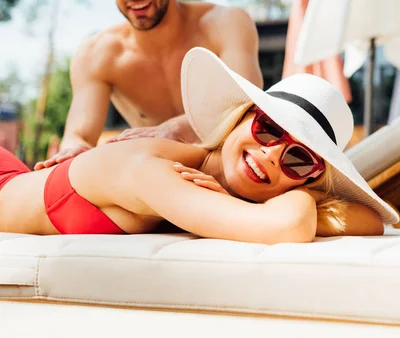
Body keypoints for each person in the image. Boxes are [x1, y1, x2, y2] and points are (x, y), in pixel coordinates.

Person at [0, 48, 397, 241]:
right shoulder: (151, 168)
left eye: (299, 159)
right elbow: (289, 224)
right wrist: (293, 193)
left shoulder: (208, 186)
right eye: (269, 130)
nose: (273, 154)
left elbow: (370, 222)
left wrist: (270, 194)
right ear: (241, 116)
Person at [35, 0, 263, 170]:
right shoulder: (97, 55)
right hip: (158, 176)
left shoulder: (225, 24)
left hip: (235, 171)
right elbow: (78, 135)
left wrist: (174, 129)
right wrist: (74, 151)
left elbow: (247, 103)